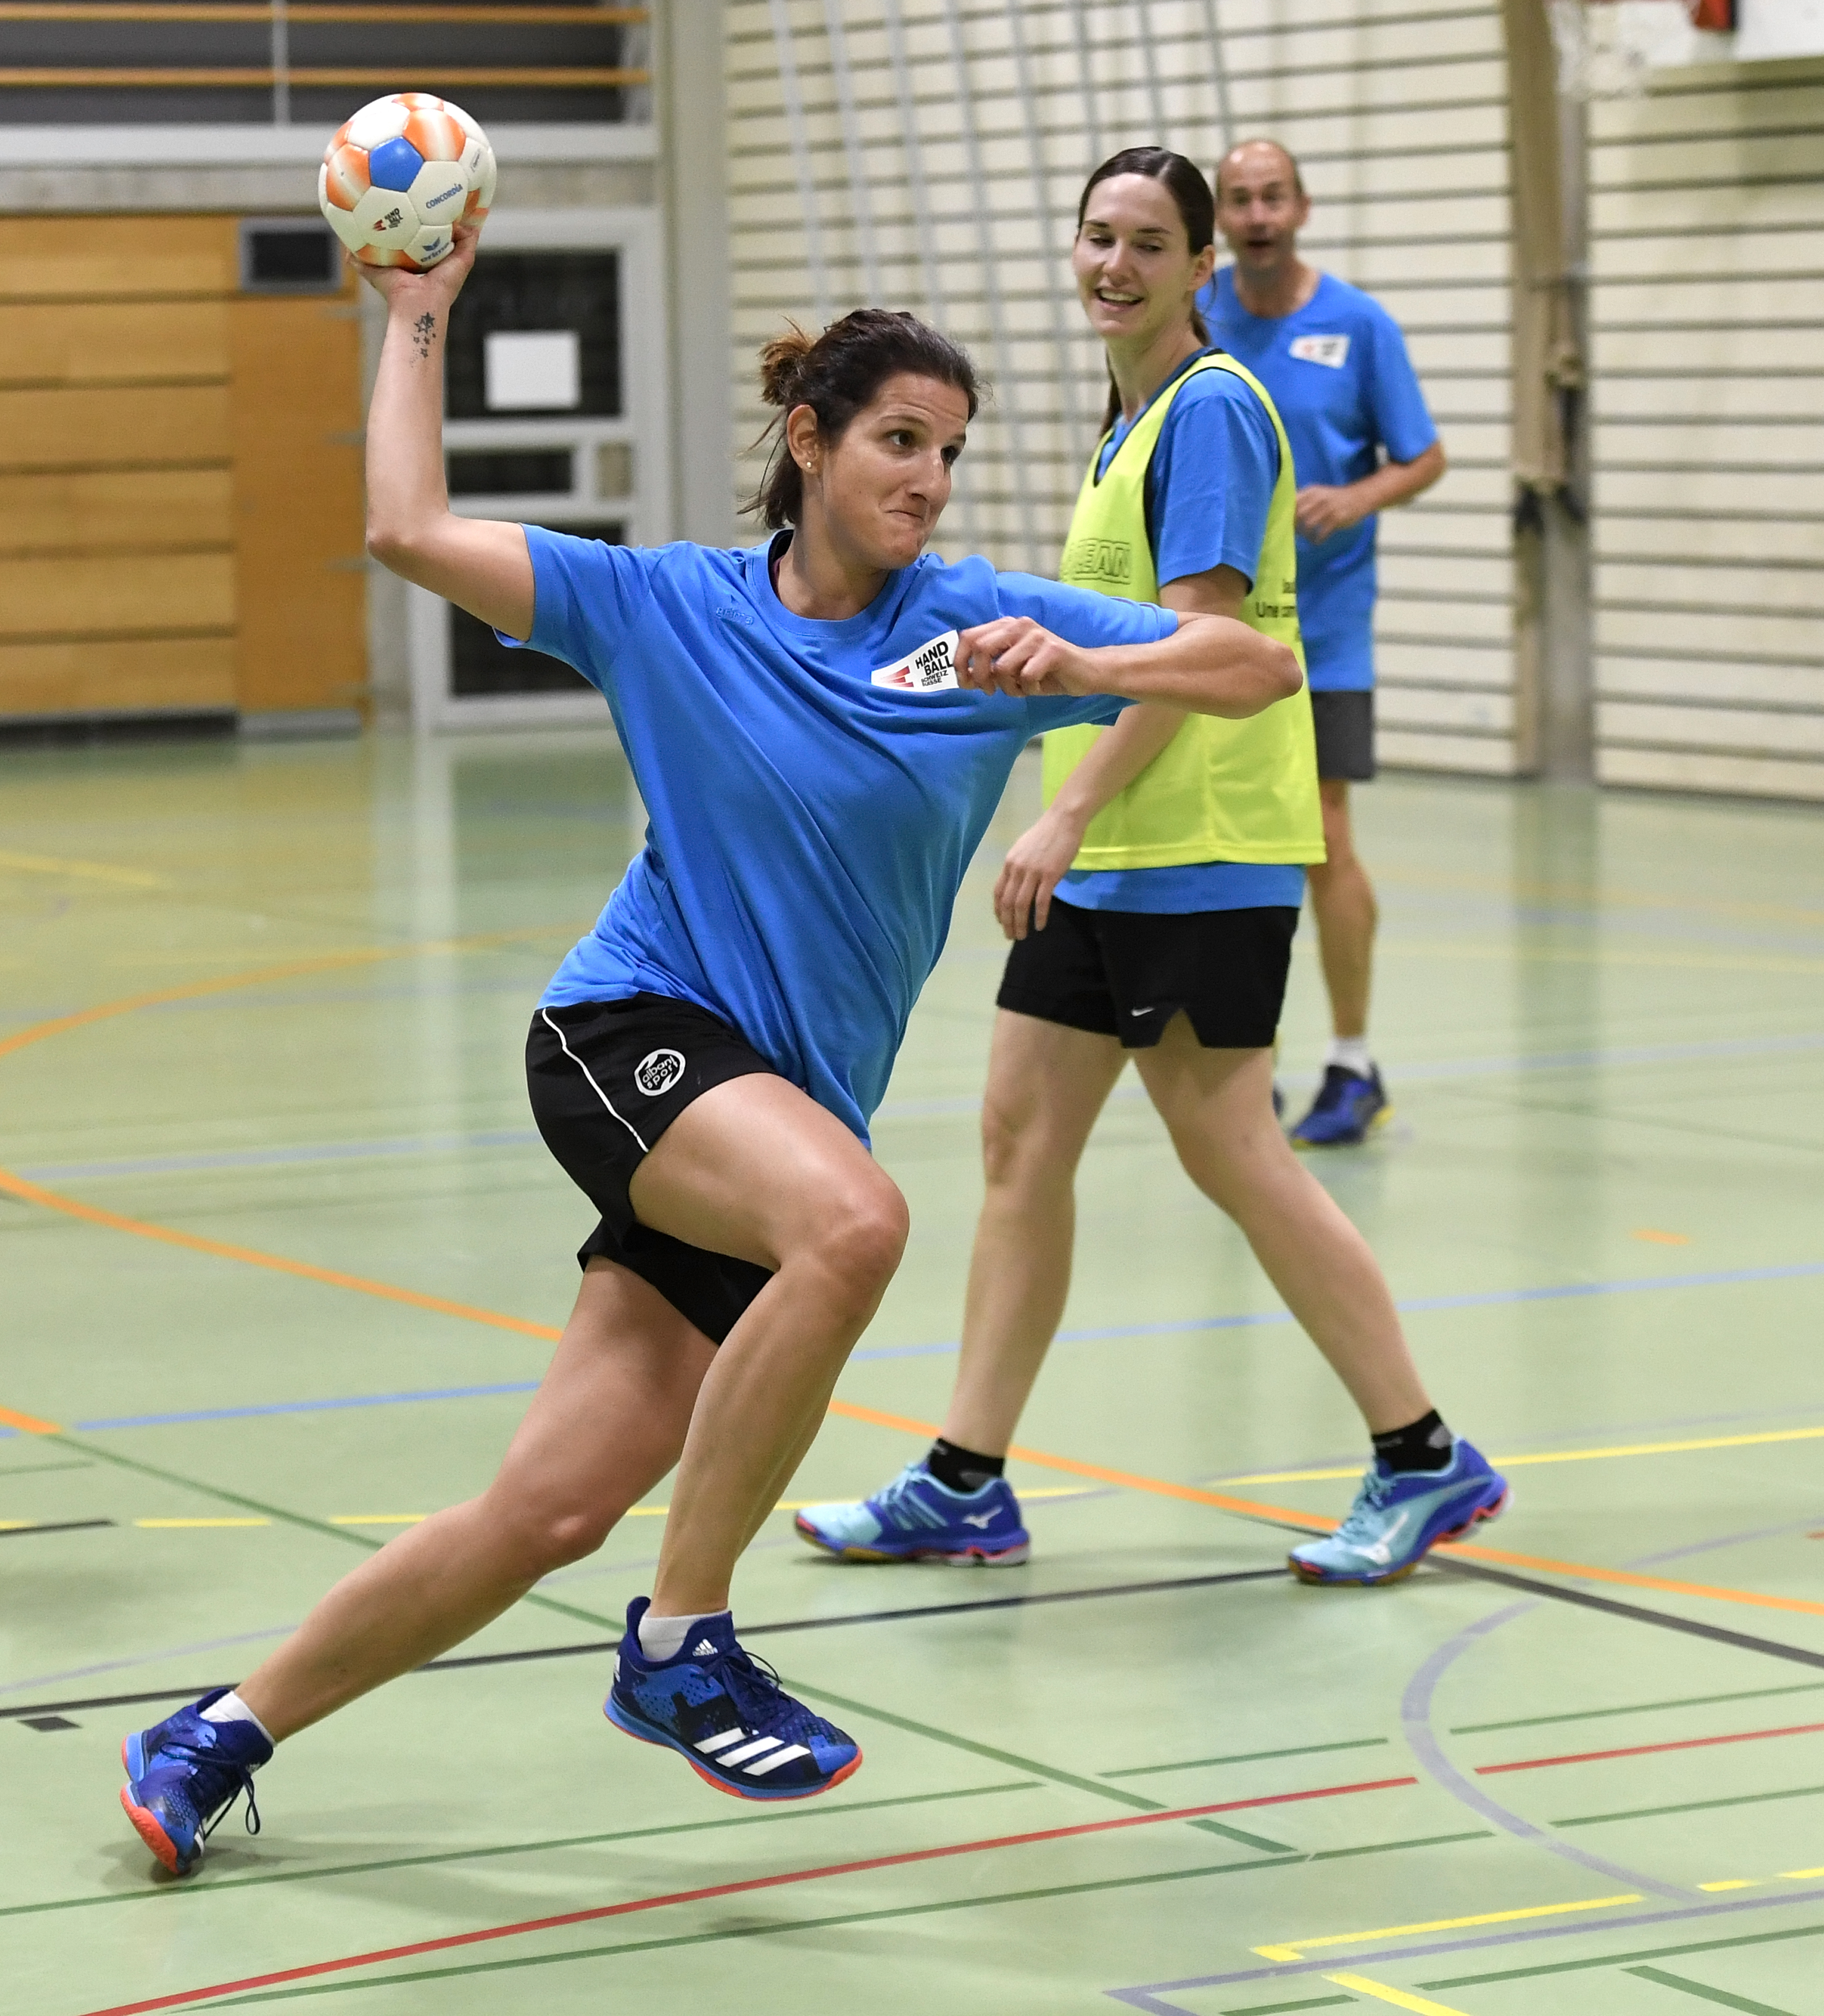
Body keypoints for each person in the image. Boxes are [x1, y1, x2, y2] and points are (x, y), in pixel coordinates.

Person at [113, 227, 1298, 1877]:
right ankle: (679, 1643)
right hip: (629, 1034)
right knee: (860, 1221)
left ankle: (211, 1733)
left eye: (950, 453)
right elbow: (400, 527)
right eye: (898, 440)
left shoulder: (971, 631)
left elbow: (1257, 662)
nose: (930, 480)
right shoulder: (663, 606)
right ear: (806, 439)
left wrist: (1090, 662)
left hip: (767, 1123)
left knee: (540, 1507)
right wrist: (415, 315)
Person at [793, 147, 1504, 1591]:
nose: (1111, 262)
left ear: (1197, 270)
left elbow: (1200, 658)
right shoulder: (1129, 426)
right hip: (1112, 855)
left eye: (1145, 242)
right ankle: (966, 1482)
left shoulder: (1215, 414)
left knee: (1236, 1153)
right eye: (1095, 235)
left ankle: (1422, 1454)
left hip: (1199, 850)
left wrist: (1059, 818)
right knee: (1018, 1142)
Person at [1202, 138, 1447, 1146]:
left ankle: (1351, 1062)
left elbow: (1424, 456)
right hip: (1210, 625)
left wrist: (1356, 496)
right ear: (1218, 218)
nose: (1257, 215)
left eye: (1272, 196)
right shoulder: (1196, 314)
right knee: (1219, 843)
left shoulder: (1356, 325)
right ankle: (1235, 1057)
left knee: (1322, 838)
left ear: (1299, 207)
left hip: (1323, 635)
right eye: (1238, 200)